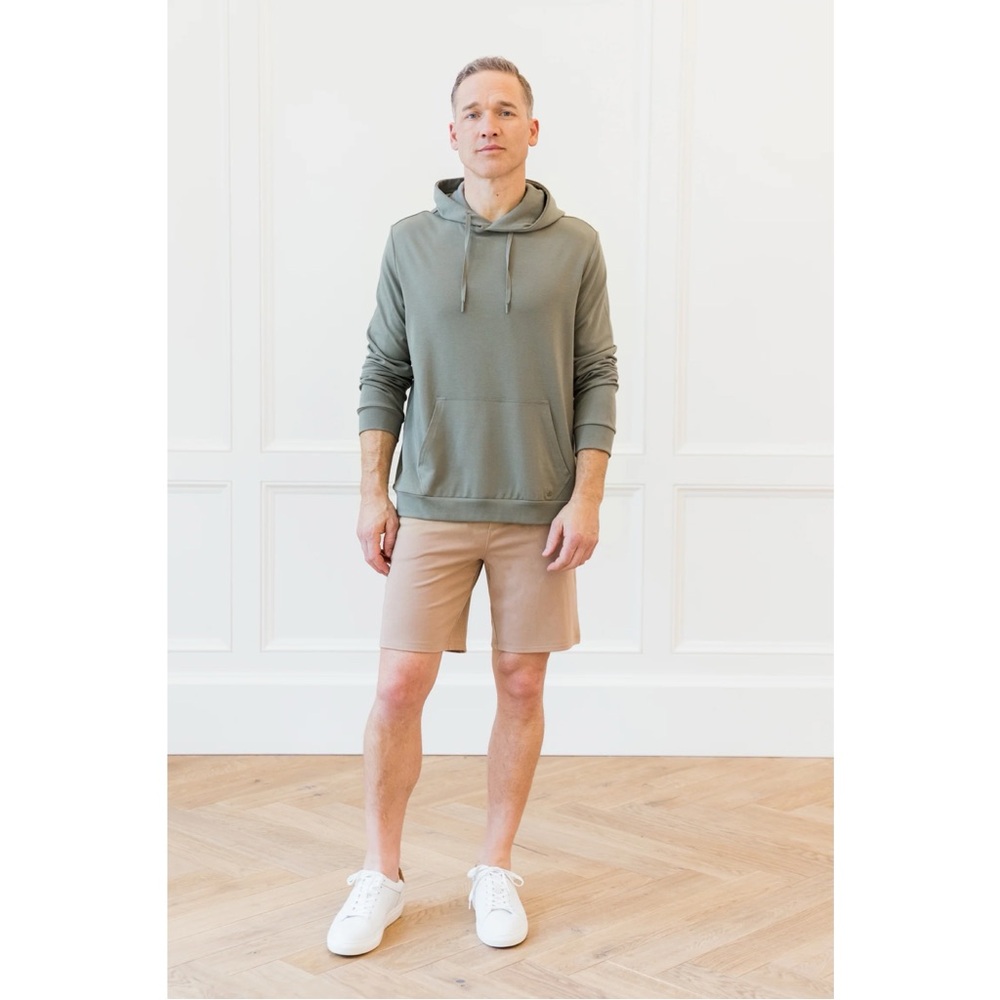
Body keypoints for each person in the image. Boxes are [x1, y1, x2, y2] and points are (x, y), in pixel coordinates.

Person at [326, 55, 619, 957]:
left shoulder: (576, 245)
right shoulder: (410, 242)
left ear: (533, 128)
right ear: (451, 133)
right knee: (397, 685)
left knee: (521, 683)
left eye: (505, 109)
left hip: (538, 506)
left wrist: (587, 496)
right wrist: (373, 492)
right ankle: (380, 873)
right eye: (472, 111)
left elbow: (597, 374)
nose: (488, 123)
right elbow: (383, 371)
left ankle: (495, 866)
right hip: (431, 501)